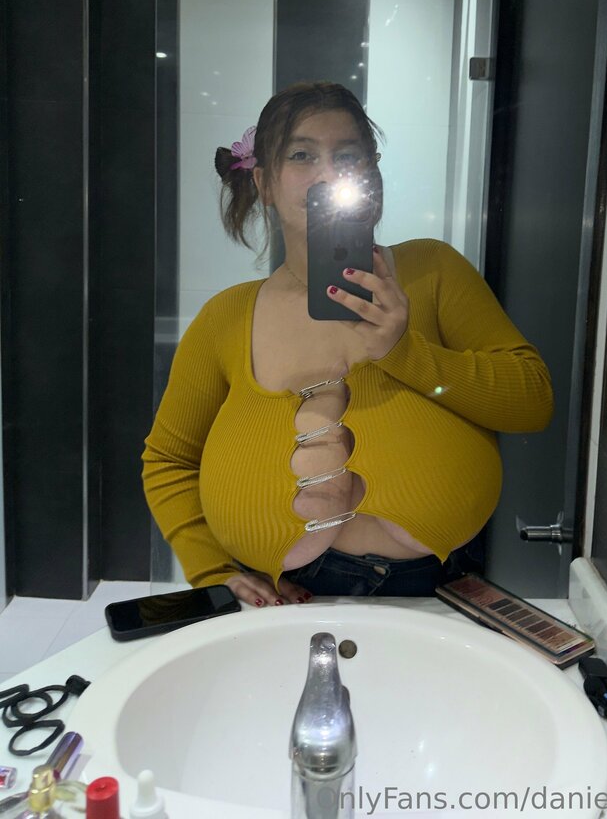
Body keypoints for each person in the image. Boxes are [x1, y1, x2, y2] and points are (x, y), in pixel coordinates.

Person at [142, 81, 553, 606]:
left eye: (347, 155)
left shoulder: (432, 271)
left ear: (371, 174)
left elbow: (532, 401)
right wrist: (210, 568)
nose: (328, 173)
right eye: (301, 155)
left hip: (433, 587)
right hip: (284, 594)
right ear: (264, 183)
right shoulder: (226, 316)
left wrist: (406, 354)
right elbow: (169, 459)